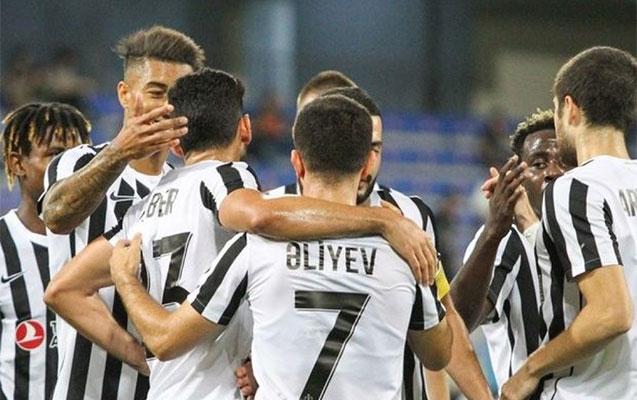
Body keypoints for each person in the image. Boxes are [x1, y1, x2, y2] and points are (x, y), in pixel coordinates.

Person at [45, 68, 439, 399]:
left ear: (176, 146)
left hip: (166, 387)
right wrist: (381, 221)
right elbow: (261, 216)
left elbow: (61, 290)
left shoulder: (143, 211)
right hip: (217, 390)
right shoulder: (224, 179)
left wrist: (139, 356)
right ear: (246, 128)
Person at [267, 85, 491, 399]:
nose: (369, 161)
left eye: (376, 148)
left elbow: (441, 320)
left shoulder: (412, 217)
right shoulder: (270, 216)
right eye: (362, 148)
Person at [40, 26, 203, 400]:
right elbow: (56, 216)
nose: (168, 107)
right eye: (156, 92)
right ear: (125, 94)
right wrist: (120, 152)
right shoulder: (78, 162)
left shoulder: (190, 185)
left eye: (179, 96)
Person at [501, 46, 637, 400]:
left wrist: (530, 369)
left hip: (589, 391)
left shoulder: (575, 187)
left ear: (570, 108)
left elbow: (612, 313)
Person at [450, 110, 567, 395]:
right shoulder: (507, 240)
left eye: (565, 162)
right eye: (538, 164)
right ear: (518, 180)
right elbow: (456, 321)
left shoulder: (601, 236)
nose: (553, 172)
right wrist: (493, 232)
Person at [0, 103, 90, 399]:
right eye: (56, 155)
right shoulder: (3, 246)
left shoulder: (106, 241)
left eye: (82, 156)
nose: (73, 168)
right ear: (17, 164)